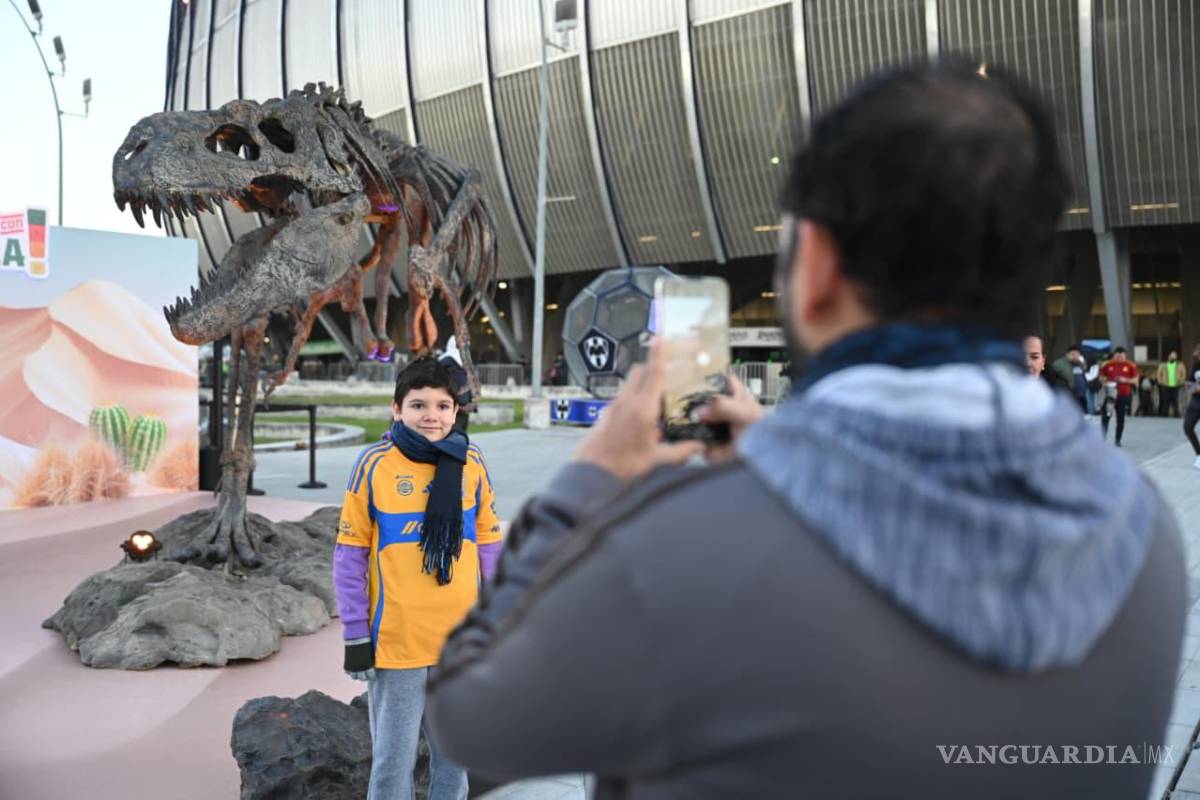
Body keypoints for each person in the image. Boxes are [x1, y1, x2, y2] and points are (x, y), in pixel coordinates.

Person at [425, 62, 1184, 799]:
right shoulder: (1146, 528)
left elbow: (470, 721)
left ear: (815, 266)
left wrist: (586, 480)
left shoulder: (681, 547)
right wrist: (785, 451)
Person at [334, 356, 502, 800]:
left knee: (455, 760)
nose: (432, 415)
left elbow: (489, 544)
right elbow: (349, 556)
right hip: (398, 643)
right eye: (419, 405)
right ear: (396, 409)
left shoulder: (472, 461)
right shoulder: (374, 465)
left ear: (455, 410)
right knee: (393, 764)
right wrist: (355, 635)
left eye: (443, 405)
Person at [1099, 347, 1138, 446]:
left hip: (1123, 394)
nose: (1120, 358)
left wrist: (1124, 380)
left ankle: (1118, 440)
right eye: (1117, 356)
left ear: (1125, 355)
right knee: (1106, 417)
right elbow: (1101, 377)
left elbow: (1135, 381)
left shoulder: (1131, 365)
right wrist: (1105, 381)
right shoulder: (1107, 364)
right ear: (1114, 355)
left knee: (1121, 418)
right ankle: (1102, 439)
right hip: (1110, 394)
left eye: (1122, 356)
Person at [1051, 344, 1088, 412]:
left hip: (1080, 396)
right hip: (1068, 396)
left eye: (1077, 354)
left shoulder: (1080, 364)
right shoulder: (1059, 364)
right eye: (1073, 354)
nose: (1075, 356)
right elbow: (1052, 378)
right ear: (1067, 354)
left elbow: (1083, 375)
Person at [1183, 343, 1200, 470]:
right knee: (1187, 427)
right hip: (1196, 401)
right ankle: (1199, 454)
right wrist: (1190, 387)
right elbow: (1189, 384)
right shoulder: (1195, 366)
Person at [1158, 351, 1186, 417]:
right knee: (1166, 400)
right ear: (1169, 356)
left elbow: (1183, 374)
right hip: (1166, 385)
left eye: (1175, 355)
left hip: (1176, 385)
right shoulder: (1163, 365)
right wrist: (1161, 381)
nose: (1173, 357)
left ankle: (1176, 414)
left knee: (1175, 400)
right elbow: (1159, 374)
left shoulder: (1180, 365)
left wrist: (1181, 381)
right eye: (1172, 355)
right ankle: (1164, 414)